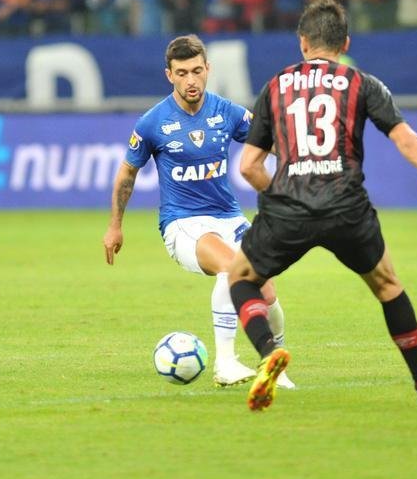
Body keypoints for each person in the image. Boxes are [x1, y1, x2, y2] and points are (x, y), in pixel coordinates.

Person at [226, 0, 417, 412]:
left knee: (240, 278)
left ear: (302, 42)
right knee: (387, 286)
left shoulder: (274, 87)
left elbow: (250, 165)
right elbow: (406, 141)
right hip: (347, 207)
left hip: (288, 206)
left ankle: (267, 353)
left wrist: (284, 192)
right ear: (344, 42)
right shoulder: (362, 83)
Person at [104, 35, 292, 389]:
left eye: (196, 71)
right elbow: (127, 173)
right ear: (169, 75)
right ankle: (225, 363)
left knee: (266, 290)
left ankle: (275, 366)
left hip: (229, 218)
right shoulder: (153, 122)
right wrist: (115, 226)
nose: (191, 80)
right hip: (183, 224)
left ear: (208, 69)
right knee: (234, 270)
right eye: (181, 73)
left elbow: (268, 140)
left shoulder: (226, 111)